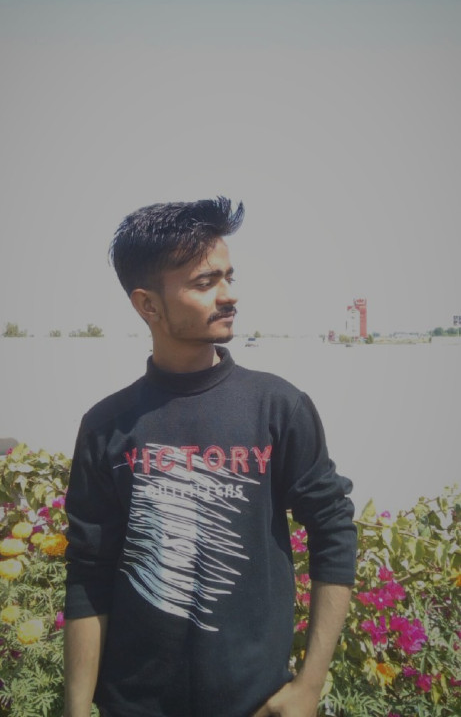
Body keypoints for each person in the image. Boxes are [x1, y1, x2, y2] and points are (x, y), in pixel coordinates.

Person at [64, 197, 357, 717]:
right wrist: (75, 708)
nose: (230, 295)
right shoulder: (107, 426)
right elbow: (89, 572)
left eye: (229, 276)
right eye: (205, 282)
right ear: (148, 305)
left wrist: (309, 685)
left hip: (256, 703)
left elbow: (333, 533)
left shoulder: (277, 407)